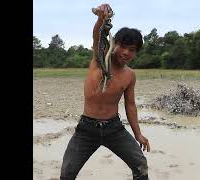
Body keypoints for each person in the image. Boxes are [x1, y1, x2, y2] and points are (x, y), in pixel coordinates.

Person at [60, 4, 150, 180]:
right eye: (123, 46)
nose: (126, 52)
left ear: (136, 52)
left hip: (114, 129)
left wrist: (138, 134)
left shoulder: (130, 75)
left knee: (140, 164)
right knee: (67, 172)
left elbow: (130, 105)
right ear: (115, 43)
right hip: (86, 129)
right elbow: (97, 37)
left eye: (132, 50)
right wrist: (101, 18)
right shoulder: (99, 59)